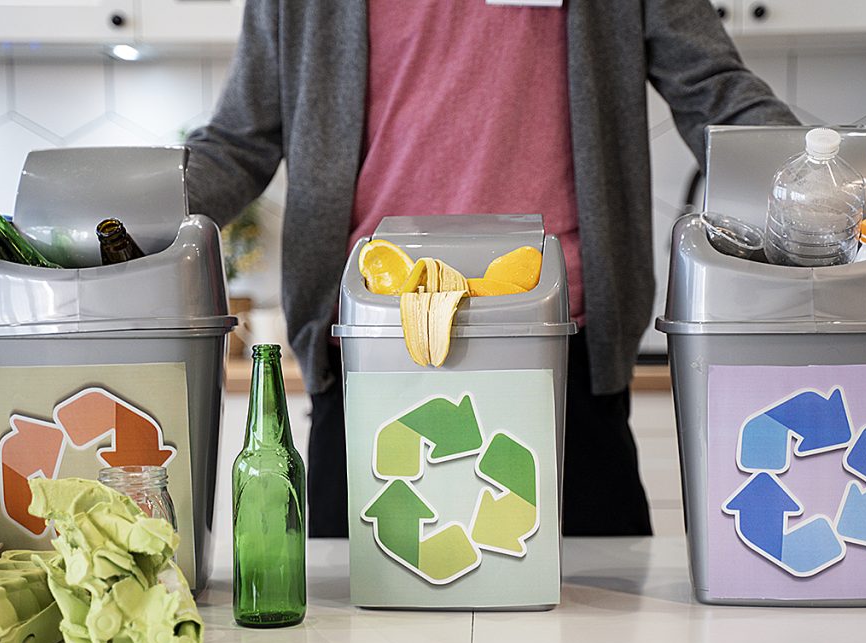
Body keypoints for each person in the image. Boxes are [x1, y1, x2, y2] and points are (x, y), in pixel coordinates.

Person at [186, 0, 798, 538]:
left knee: (598, 620)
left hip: (564, 350)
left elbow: (712, 88)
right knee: (357, 620)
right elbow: (240, 141)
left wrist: (820, 183)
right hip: (369, 348)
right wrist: (148, 213)